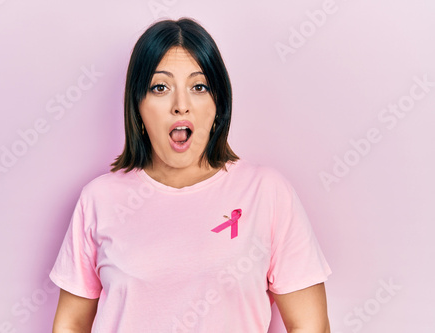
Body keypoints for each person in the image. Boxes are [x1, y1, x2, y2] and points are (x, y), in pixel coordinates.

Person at [50, 17, 332, 333]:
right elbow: (71, 323)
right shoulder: (99, 199)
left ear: (218, 104)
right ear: (138, 107)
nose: (180, 105)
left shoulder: (266, 192)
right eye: (160, 87)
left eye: (198, 87)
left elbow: (311, 325)